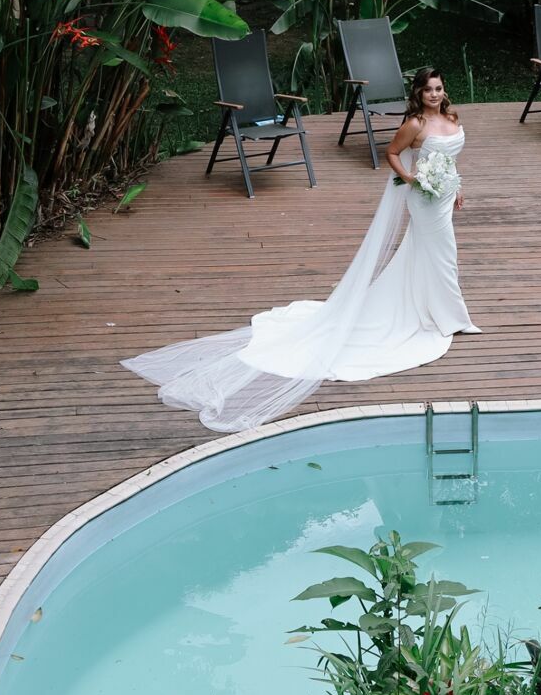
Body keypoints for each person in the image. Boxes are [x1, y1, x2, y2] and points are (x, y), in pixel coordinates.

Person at [122, 68, 479, 430]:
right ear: (418, 93)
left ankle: (435, 309)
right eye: (428, 90)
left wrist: (456, 186)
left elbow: (449, 160)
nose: (434, 94)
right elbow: (392, 153)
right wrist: (411, 178)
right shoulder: (415, 125)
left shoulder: (452, 118)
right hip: (423, 199)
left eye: (438, 88)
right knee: (443, 253)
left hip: (444, 195)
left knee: (429, 255)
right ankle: (453, 316)